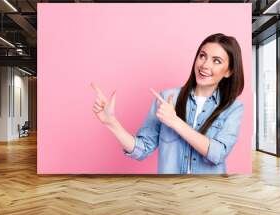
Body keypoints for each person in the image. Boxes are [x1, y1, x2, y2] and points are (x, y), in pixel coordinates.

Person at [91, 33, 244, 174]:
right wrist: (111, 123)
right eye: (202, 56)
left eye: (216, 61)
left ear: (228, 71)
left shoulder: (233, 108)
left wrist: (175, 122)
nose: (205, 65)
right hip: (170, 194)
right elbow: (142, 149)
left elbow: (218, 154)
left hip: (209, 194)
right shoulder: (166, 98)